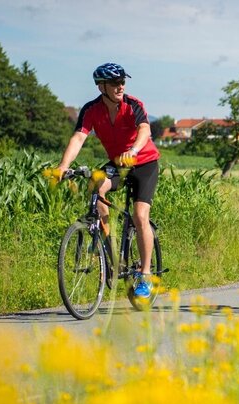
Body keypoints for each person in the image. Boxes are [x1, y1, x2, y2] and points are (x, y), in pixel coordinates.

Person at [56, 62, 161, 299]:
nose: (120, 86)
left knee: (140, 216)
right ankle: (107, 241)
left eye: (122, 81)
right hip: (117, 163)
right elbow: (79, 137)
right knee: (95, 184)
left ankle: (144, 276)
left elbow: (144, 130)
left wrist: (133, 150)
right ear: (101, 86)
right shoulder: (91, 109)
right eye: (115, 83)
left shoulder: (133, 105)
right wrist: (64, 166)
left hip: (143, 162)